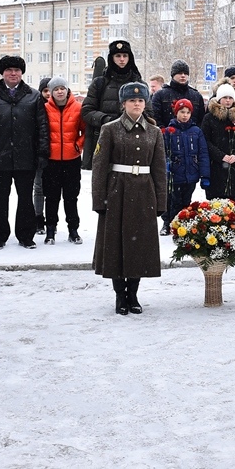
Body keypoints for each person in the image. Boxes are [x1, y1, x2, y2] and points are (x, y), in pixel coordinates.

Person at [91, 81, 167, 315]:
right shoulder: (110, 129)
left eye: (141, 100)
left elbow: (159, 169)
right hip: (117, 193)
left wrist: (161, 202)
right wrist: (99, 200)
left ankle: (133, 293)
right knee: (115, 246)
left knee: (139, 247)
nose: (137, 104)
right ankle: (119, 295)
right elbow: (99, 167)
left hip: (144, 194)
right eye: (132, 100)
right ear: (123, 104)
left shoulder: (154, 132)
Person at [0, 55, 49, 250]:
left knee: (25, 198)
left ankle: (26, 236)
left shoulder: (33, 96)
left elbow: (42, 127)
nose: (13, 73)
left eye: (16, 70)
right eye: (9, 70)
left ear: (22, 73)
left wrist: (42, 153)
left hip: (26, 156)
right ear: (2, 73)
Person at [81, 40, 143, 169]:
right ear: (111, 58)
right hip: (105, 140)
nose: (122, 59)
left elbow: (148, 113)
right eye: (118, 56)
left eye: (125, 56)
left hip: (132, 141)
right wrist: (107, 120)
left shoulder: (139, 84)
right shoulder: (100, 83)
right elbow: (87, 111)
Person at [42, 76, 85, 244]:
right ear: (51, 92)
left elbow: (85, 131)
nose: (60, 91)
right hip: (51, 161)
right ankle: (50, 230)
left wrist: (77, 146)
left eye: (62, 88)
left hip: (72, 160)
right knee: (51, 197)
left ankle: (73, 230)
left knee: (71, 197)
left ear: (67, 90)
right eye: (56, 89)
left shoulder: (78, 108)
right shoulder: (44, 109)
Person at [160, 98, 211, 235]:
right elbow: (162, 151)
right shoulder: (168, 131)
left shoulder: (196, 131)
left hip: (191, 173)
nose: (185, 115)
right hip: (175, 173)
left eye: (188, 112)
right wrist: (166, 164)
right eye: (182, 112)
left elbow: (203, 153)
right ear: (176, 113)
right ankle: (168, 222)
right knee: (171, 199)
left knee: (186, 201)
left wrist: (204, 175)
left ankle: (183, 224)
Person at [200, 83, 235, 201]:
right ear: (219, 99)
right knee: (216, 204)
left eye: (230, 98)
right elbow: (205, 141)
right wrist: (220, 156)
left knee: (233, 205)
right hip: (216, 166)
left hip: (234, 167)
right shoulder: (209, 118)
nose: (228, 101)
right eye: (225, 98)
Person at [151, 59, 206, 128]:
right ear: (173, 75)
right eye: (179, 73)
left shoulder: (196, 96)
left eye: (185, 73)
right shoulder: (160, 95)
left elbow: (201, 120)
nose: (183, 75)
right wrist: (165, 132)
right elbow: (155, 118)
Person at [33, 77, 53, 236]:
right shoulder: (35, 106)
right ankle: (38, 218)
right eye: (45, 91)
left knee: (52, 190)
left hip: (57, 154)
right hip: (39, 153)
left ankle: (52, 220)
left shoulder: (61, 107)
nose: (48, 94)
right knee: (38, 188)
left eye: (50, 90)